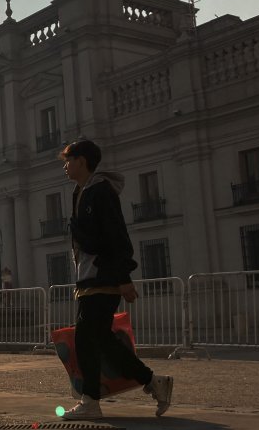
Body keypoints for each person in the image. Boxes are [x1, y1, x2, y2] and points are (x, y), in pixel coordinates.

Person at [58, 139, 173, 420]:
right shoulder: (80, 192)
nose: (65, 165)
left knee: (86, 338)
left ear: (82, 161)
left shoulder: (101, 192)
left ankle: (91, 401)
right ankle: (153, 381)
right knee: (101, 340)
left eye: (68, 159)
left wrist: (123, 278)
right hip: (88, 278)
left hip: (103, 277)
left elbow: (115, 235)